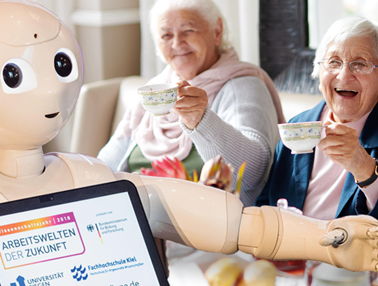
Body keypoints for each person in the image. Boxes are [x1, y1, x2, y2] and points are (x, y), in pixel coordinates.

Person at [0, 1, 378, 284]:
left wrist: (329, 239)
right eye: (166, 34)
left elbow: (242, 223)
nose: (48, 86)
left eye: (59, 65)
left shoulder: (109, 185)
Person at [256, 17, 378, 238]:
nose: (344, 75)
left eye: (360, 64)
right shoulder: (297, 128)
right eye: (333, 62)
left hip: (359, 266)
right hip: (292, 261)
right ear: (319, 72)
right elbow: (266, 208)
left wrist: (364, 167)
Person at [97, 0, 284, 206]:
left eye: (188, 31)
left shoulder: (243, 86)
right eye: (166, 35)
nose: (177, 44)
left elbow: (253, 172)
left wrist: (201, 120)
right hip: (135, 217)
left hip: (202, 230)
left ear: (217, 31)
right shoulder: (156, 87)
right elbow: (107, 162)